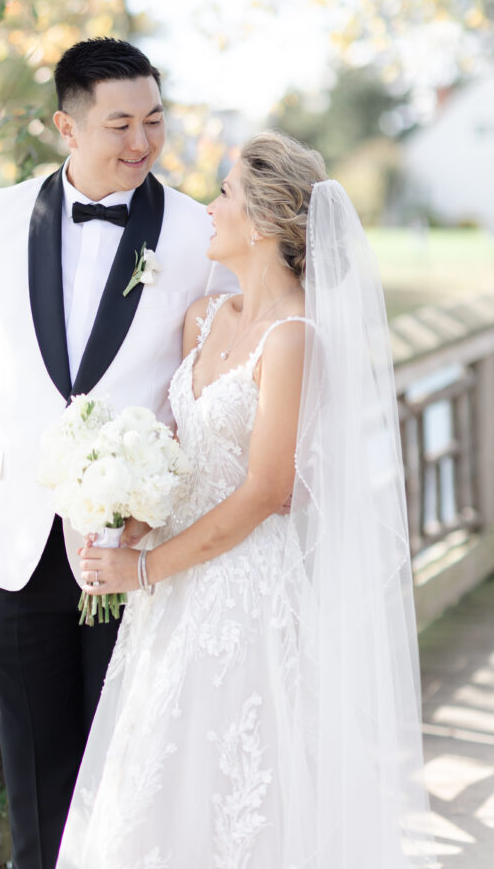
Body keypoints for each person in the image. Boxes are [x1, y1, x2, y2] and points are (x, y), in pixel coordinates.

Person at [59, 131, 436, 868]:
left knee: (233, 794)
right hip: (168, 597)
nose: (209, 206)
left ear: (261, 223)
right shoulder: (202, 318)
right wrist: (120, 522)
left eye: (224, 194)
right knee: (150, 789)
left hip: (242, 598)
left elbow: (267, 491)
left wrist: (145, 568)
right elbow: (178, 455)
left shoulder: (294, 339)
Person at [0, 37, 236, 869]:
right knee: (33, 769)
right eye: (119, 125)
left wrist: (162, 502)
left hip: (137, 546)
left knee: (133, 769)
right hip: (11, 542)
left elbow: (216, 376)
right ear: (66, 126)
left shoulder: (198, 232)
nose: (140, 144)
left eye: (154, 122)